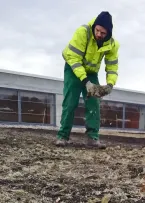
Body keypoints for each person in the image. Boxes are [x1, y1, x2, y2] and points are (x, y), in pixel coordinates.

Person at [55, 11, 120, 148]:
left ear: (108, 33)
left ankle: (92, 138)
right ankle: (63, 136)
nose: (99, 35)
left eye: (103, 33)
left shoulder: (112, 45)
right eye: (97, 30)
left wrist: (110, 84)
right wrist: (86, 82)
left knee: (93, 103)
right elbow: (73, 58)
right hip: (73, 68)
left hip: (91, 73)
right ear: (94, 26)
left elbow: (112, 66)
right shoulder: (83, 32)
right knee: (70, 102)